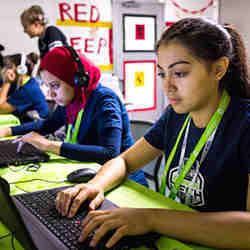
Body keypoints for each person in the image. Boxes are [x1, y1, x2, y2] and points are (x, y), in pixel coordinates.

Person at [55, 18, 250, 249]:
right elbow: (125, 161)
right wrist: (95, 185)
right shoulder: (175, 115)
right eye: (162, 74)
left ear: (218, 69)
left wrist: (151, 219)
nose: (167, 87)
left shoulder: (244, 124)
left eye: (179, 73)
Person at [0, 46, 147, 186]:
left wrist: (48, 145)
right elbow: (48, 125)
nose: (51, 94)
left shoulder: (105, 101)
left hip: (125, 180)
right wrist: (9, 131)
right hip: (94, 173)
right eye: (48, 86)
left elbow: (109, 153)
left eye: (55, 86)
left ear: (76, 79)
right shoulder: (74, 99)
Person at [0, 52, 49, 122]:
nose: (6, 71)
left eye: (9, 67)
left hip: (35, 129)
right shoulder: (21, 84)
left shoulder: (28, 90)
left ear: (20, 70)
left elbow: (1, 109)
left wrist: (7, 82)